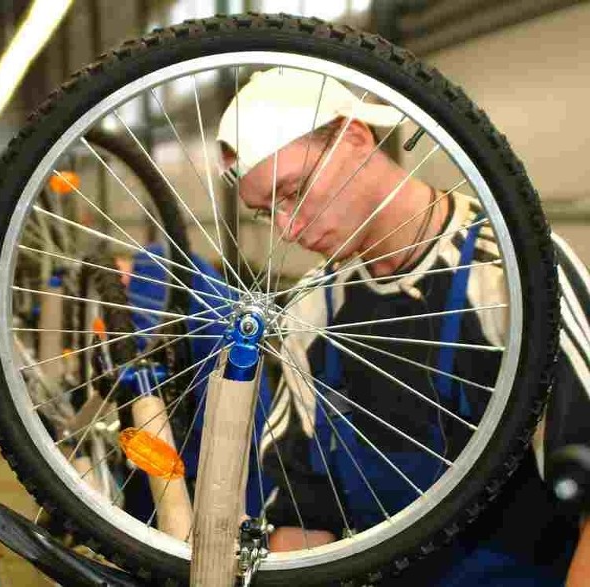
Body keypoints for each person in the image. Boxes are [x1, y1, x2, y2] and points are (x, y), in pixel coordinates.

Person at [216, 68, 590, 585]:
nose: (290, 227)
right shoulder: (315, 306)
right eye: (266, 212)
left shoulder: (512, 273)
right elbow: (306, 512)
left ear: (354, 136)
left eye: (295, 189)